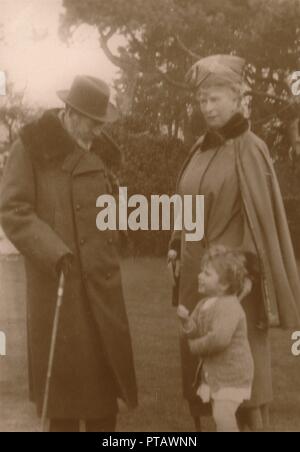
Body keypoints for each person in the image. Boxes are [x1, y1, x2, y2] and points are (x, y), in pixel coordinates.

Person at [168, 55, 300, 432]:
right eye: (202, 100)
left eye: (215, 99)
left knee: (242, 389)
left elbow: (261, 226)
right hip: (197, 284)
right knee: (203, 386)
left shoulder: (251, 148)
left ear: (238, 97)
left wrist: (234, 283)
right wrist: (177, 244)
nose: (207, 108)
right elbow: (185, 206)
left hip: (233, 291)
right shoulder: (199, 149)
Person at [0, 75, 137, 432]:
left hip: (102, 289)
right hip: (60, 284)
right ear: (71, 113)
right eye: (92, 122)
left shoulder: (102, 154)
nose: (96, 131)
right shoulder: (31, 146)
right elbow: (13, 210)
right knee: (63, 401)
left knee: (104, 402)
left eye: (101, 123)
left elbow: (109, 208)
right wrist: (52, 251)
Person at [177, 246, 254, 432]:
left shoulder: (229, 306)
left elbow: (219, 339)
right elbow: (195, 331)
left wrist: (194, 347)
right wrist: (187, 322)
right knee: (220, 416)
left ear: (224, 284)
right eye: (202, 271)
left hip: (232, 374)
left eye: (207, 273)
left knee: (222, 415)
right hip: (217, 375)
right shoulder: (203, 304)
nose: (200, 276)